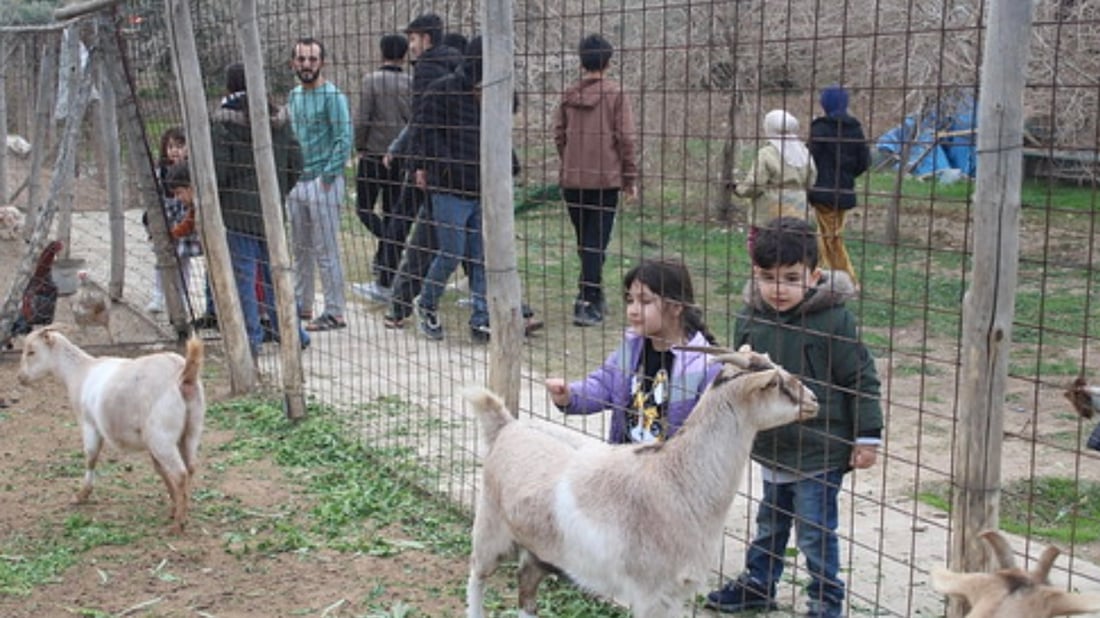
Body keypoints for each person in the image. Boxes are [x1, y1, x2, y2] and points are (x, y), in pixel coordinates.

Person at [704, 217, 882, 618]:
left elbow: (861, 377)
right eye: (768, 277)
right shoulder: (750, 317)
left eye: (790, 277)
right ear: (755, 273)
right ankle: (758, 583)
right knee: (770, 522)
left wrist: (867, 436)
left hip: (820, 450)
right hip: (771, 444)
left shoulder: (834, 321)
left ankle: (825, 600)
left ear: (814, 275)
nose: (778, 288)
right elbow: (744, 381)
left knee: (815, 532)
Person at [545, 259, 721, 444]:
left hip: (671, 471)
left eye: (644, 301)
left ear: (676, 307)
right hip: (625, 465)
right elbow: (604, 384)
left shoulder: (706, 366)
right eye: (630, 300)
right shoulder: (631, 348)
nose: (632, 311)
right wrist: (569, 395)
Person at [210, 62, 309, 358]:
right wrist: (278, 191)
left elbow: (219, 169)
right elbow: (297, 163)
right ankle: (290, 332)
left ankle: (249, 338)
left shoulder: (223, 123)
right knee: (276, 273)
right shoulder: (279, 118)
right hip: (272, 210)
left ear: (228, 87)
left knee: (243, 277)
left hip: (237, 214)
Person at [402, 35, 491, 342]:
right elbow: (424, 132)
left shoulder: (494, 94)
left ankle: (481, 317)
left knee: (480, 257)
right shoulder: (442, 91)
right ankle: (426, 303)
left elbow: (506, 121)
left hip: (482, 188)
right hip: (449, 188)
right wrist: (441, 167)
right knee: (451, 253)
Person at [381, 13, 463, 329]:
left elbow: (423, 122)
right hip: (463, 166)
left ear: (426, 38)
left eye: (413, 39)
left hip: (436, 168)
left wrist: (418, 164)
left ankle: (403, 304)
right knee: (457, 240)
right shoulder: (458, 62)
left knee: (429, 237)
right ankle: (402, 304)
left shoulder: (426, 70)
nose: (410, 46)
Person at [553, 33, 638, 328]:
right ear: (609, 61)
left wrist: (571, 160)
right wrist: (630, 178)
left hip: (572, 181)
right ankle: (587, 302)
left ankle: (591, 293)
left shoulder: (568, 94)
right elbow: (625, 138)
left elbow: (558, 135)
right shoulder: (615, 94)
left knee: (586, 242)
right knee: (595, 243)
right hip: (605, 181)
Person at [286, 36, 352, 332]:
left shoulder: (333, 96)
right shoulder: (293, 96)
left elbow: (344, 138)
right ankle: (303, 303)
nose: (307, 65)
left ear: (321, 62)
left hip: (323, 181)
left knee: (326, 250)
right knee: (300, 248)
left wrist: (328, 176)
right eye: (301, 59)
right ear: (293, 63)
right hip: (296, 182)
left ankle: (335, 311)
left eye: (312, 59)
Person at [351, 34, 413, 304]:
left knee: (364, 208)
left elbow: (363, 118)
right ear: (404, 55)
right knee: (392, 211)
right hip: (400, 157)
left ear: (381, 52)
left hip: (374, 154)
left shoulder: (371, 81)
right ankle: (387, 261)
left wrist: (359, 145)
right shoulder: (411, 82)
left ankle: (387, 248)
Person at [808, 86, 871, 289]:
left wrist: (815, 179)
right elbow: (864, 161)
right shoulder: (855, 129)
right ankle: (822, 275)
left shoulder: (820, 128)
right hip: (844, 191)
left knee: (831, 238)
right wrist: (846, 176)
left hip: (822, 192)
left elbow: (809, 159)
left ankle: (849, 281)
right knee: (828, 235)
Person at [731, 110, 817, 251]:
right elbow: (812, 179)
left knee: (761, 247)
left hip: (769, 211)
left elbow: (755, 184)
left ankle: (762, 272)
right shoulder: (804, 152)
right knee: (792, 248)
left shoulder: (767, 153)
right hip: (798, 209)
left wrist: (739, 190)